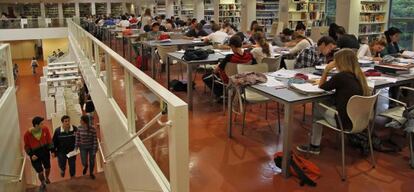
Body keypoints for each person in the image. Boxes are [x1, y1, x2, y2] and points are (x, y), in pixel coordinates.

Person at [297, 49, 371, 154]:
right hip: (359, 121)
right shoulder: (359, 76)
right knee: (325, 102)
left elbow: (322, 87)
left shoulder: (341, 76)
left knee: (317, 104)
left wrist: (326, 70)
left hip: (343, 122)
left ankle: (314, 145)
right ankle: (316, 136)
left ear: (340, 62)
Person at [24, 116, 53, 191]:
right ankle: (43, 182)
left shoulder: (45, 129)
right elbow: (26, 146)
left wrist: (52, 151)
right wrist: (31, 155)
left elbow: (49, 140)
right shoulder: (27, 134)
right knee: (40, 171)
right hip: (35, 155)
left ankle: (47, 177)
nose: (43, 125)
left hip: (45, 153)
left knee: (48, 168)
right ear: (36, 125)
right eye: (41, 124)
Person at [75, 115, 98, 180]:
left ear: (84, 121)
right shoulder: (79, 128)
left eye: (81, 120)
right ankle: (86, 166)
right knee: (84, 161)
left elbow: (95, 139)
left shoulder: (92, 129)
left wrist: (94, 150)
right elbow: (77, 137)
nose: (80, 121)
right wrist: (76, 146)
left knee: (92, 161)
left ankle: (91, 173)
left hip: (91, 147)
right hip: (83, 147)